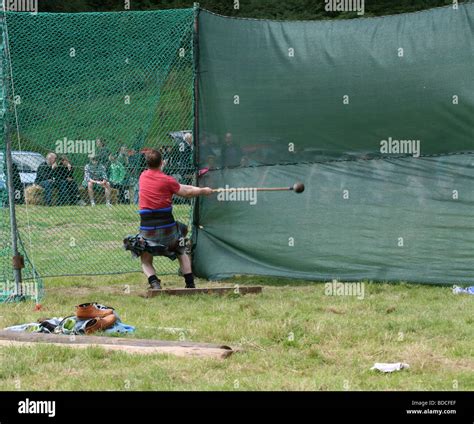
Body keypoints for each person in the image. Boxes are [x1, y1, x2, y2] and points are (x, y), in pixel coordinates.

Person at [124, 149, 212, 290]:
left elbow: (181, 187)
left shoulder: (143, 176)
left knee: (145, 258)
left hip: (147, 229)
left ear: (147, 164)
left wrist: (199, 188)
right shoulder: (167, 180)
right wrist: (203, 191)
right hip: (167, 229)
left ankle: (154, 283)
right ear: (162, 162)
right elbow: (186, 193)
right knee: (181, 250)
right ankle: (190, 284)